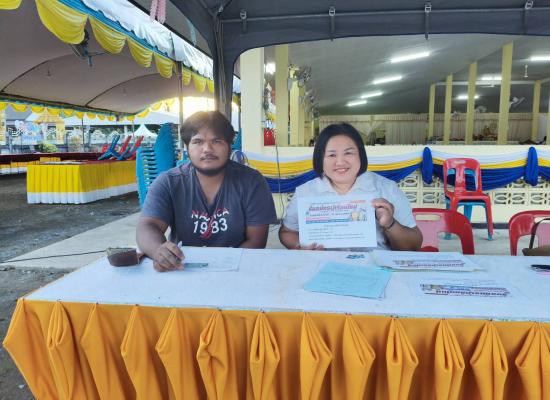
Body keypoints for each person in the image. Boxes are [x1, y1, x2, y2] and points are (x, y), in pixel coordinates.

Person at [137, 111, 277, 271]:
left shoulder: (252, 182)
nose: (207, 149)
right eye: (197, 142)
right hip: (182, 268)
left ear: (229, 146)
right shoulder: (168, 182)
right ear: (187, 148)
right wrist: (158, 250)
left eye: (217, 141)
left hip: (237, 269)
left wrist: (222, 268)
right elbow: (147, 225)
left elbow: (257, 241)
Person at [279, 123, 422, 251]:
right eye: (331, 155)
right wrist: (299, 246)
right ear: (320, 159)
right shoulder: (305, 192)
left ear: (361, 155)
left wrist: (390, 224)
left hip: (376, 267)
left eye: (348, 153)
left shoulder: (386, 189)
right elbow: (286, 232)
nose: (340, 162)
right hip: (322, 266)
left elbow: (414, 245)